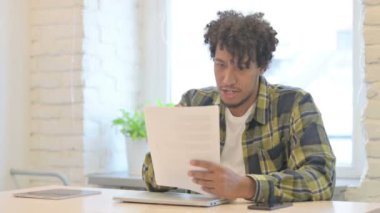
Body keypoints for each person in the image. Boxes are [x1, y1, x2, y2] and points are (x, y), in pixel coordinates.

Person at [142, 10, 335, 204]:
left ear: (262, 66)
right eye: (220, 65)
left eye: (241, 67)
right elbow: (150, 178)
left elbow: (322, 179)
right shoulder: (195, 102)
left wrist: (245, 186)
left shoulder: (294, 104)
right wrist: (168, 146)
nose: (227, 79)